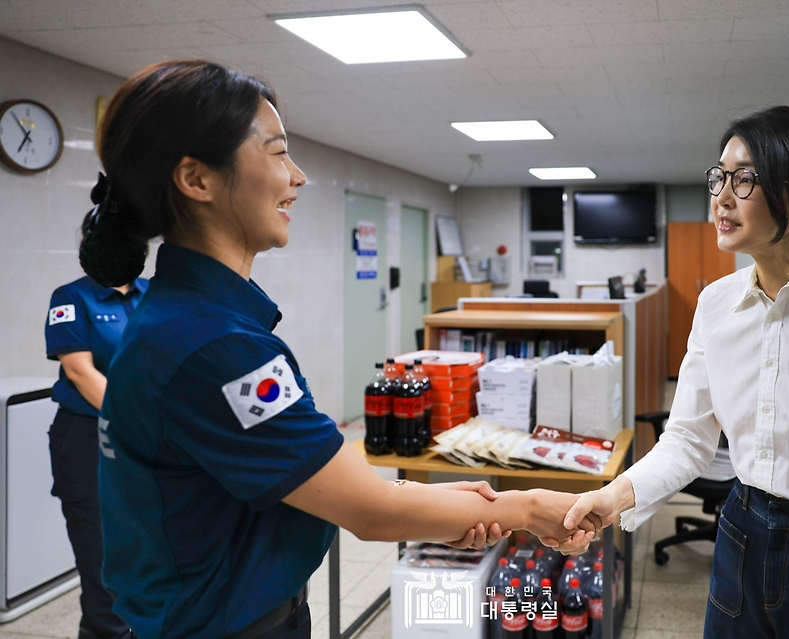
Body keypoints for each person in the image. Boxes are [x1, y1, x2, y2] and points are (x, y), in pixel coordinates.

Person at [82, 59, 597, 639]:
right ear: (196, 179)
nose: (297, 177)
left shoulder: (193, 321)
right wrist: (523, 509)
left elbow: (311, 479)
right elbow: (370, 515)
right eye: (277, 153)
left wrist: (404, 496)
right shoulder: (213, 346)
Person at [548, 106, 789, 639]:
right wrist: (614, 496)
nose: (721, 196)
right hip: (739, 533)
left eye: (747, 179)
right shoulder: (715, 304)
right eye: (721, 175)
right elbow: (689, 440)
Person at [45, 210, 147, 639]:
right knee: (102, 562)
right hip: (89, 439)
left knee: (142, 556)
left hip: (144, 440)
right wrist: (141, 420)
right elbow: (81, 372)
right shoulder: (72, 298)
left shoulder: (154, 295)